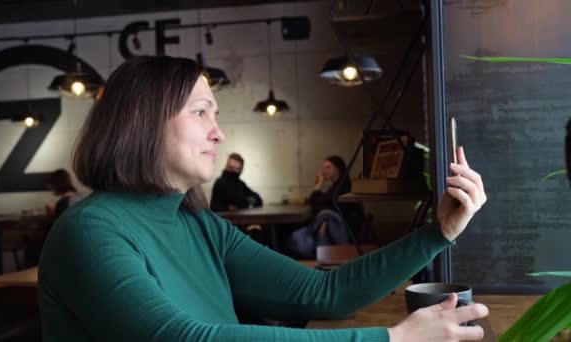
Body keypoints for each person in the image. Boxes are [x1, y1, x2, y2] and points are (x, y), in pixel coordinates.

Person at [39, 56, 489, 341]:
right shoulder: (90, 232)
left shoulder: (199, 224)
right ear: (141, 123)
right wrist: (393, 340)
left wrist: (440, 231)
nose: (218, 132)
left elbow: (323, 292)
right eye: (200, 112)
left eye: (215, 114)